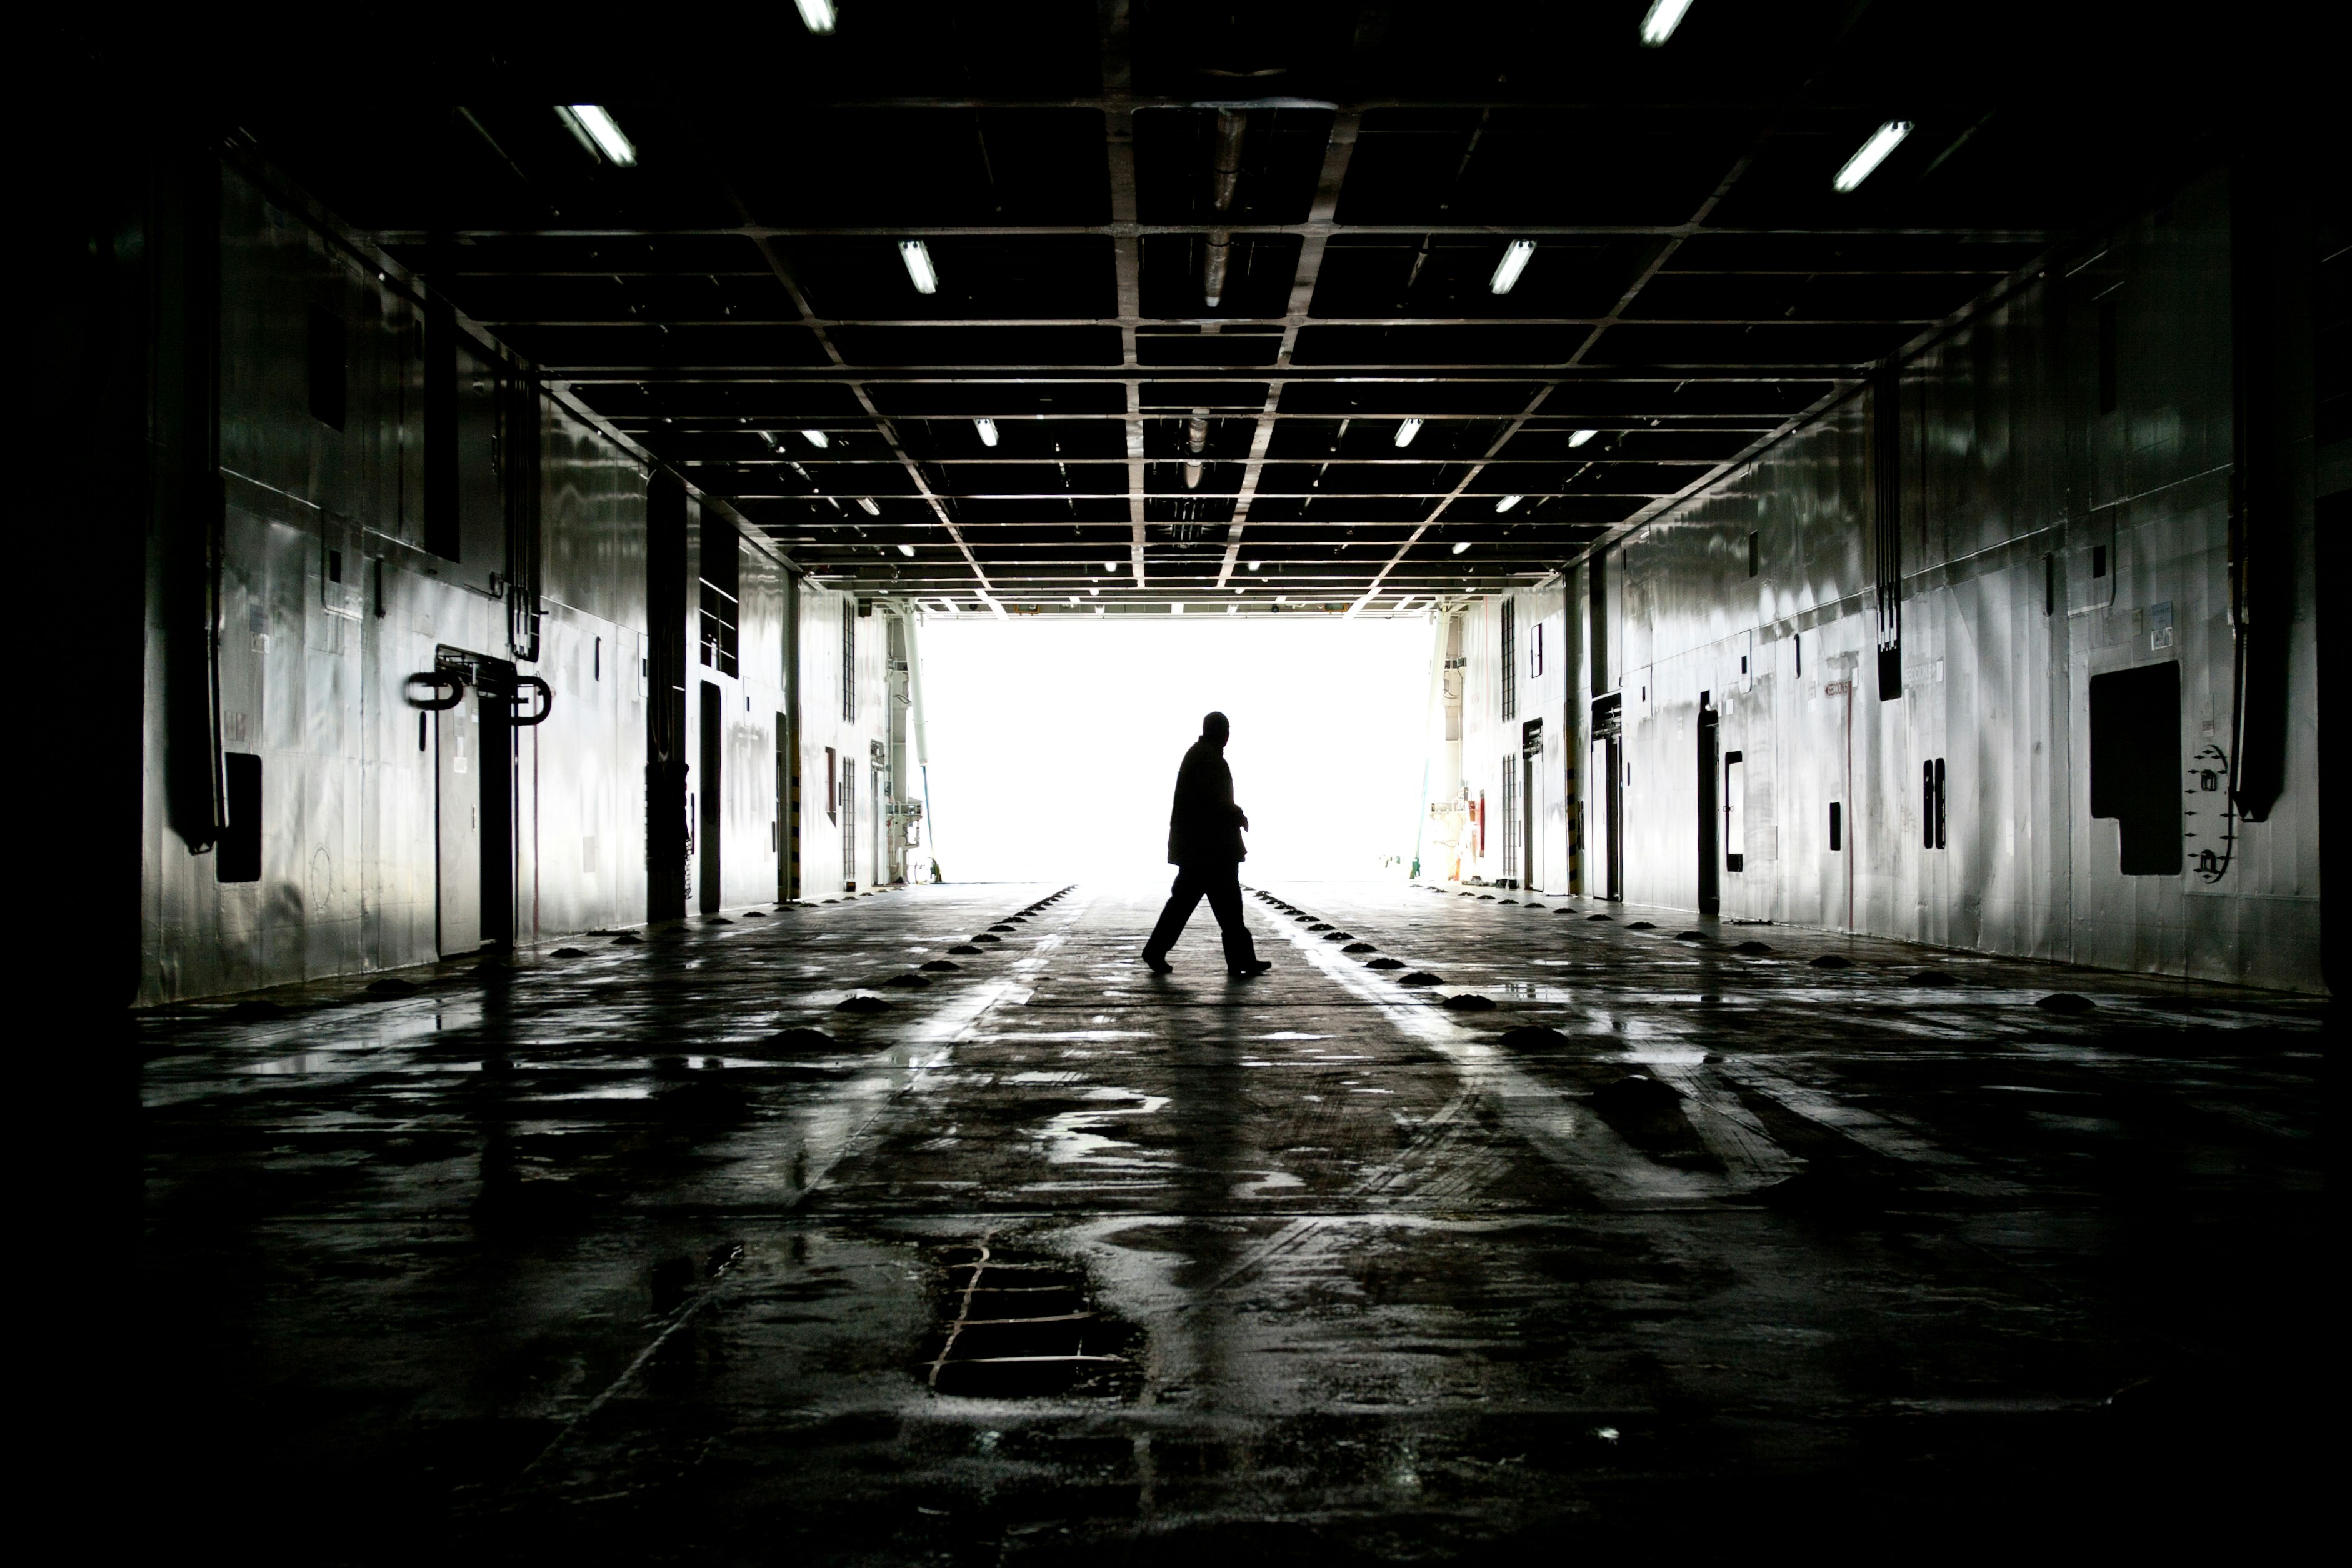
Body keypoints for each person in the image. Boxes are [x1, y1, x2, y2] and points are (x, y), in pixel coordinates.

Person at [1141, 711, 1272, 978]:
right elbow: (1213, 803)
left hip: (1202, 851)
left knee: (1193, 907)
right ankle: (1240, 960)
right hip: (1211, 852)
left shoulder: (1201, 755)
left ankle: (1238, 959)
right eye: (1226, 729)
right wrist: (1237, 815)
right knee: (1227, 908)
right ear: (1219, 731)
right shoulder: (1207, 759)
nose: (1228, 735)